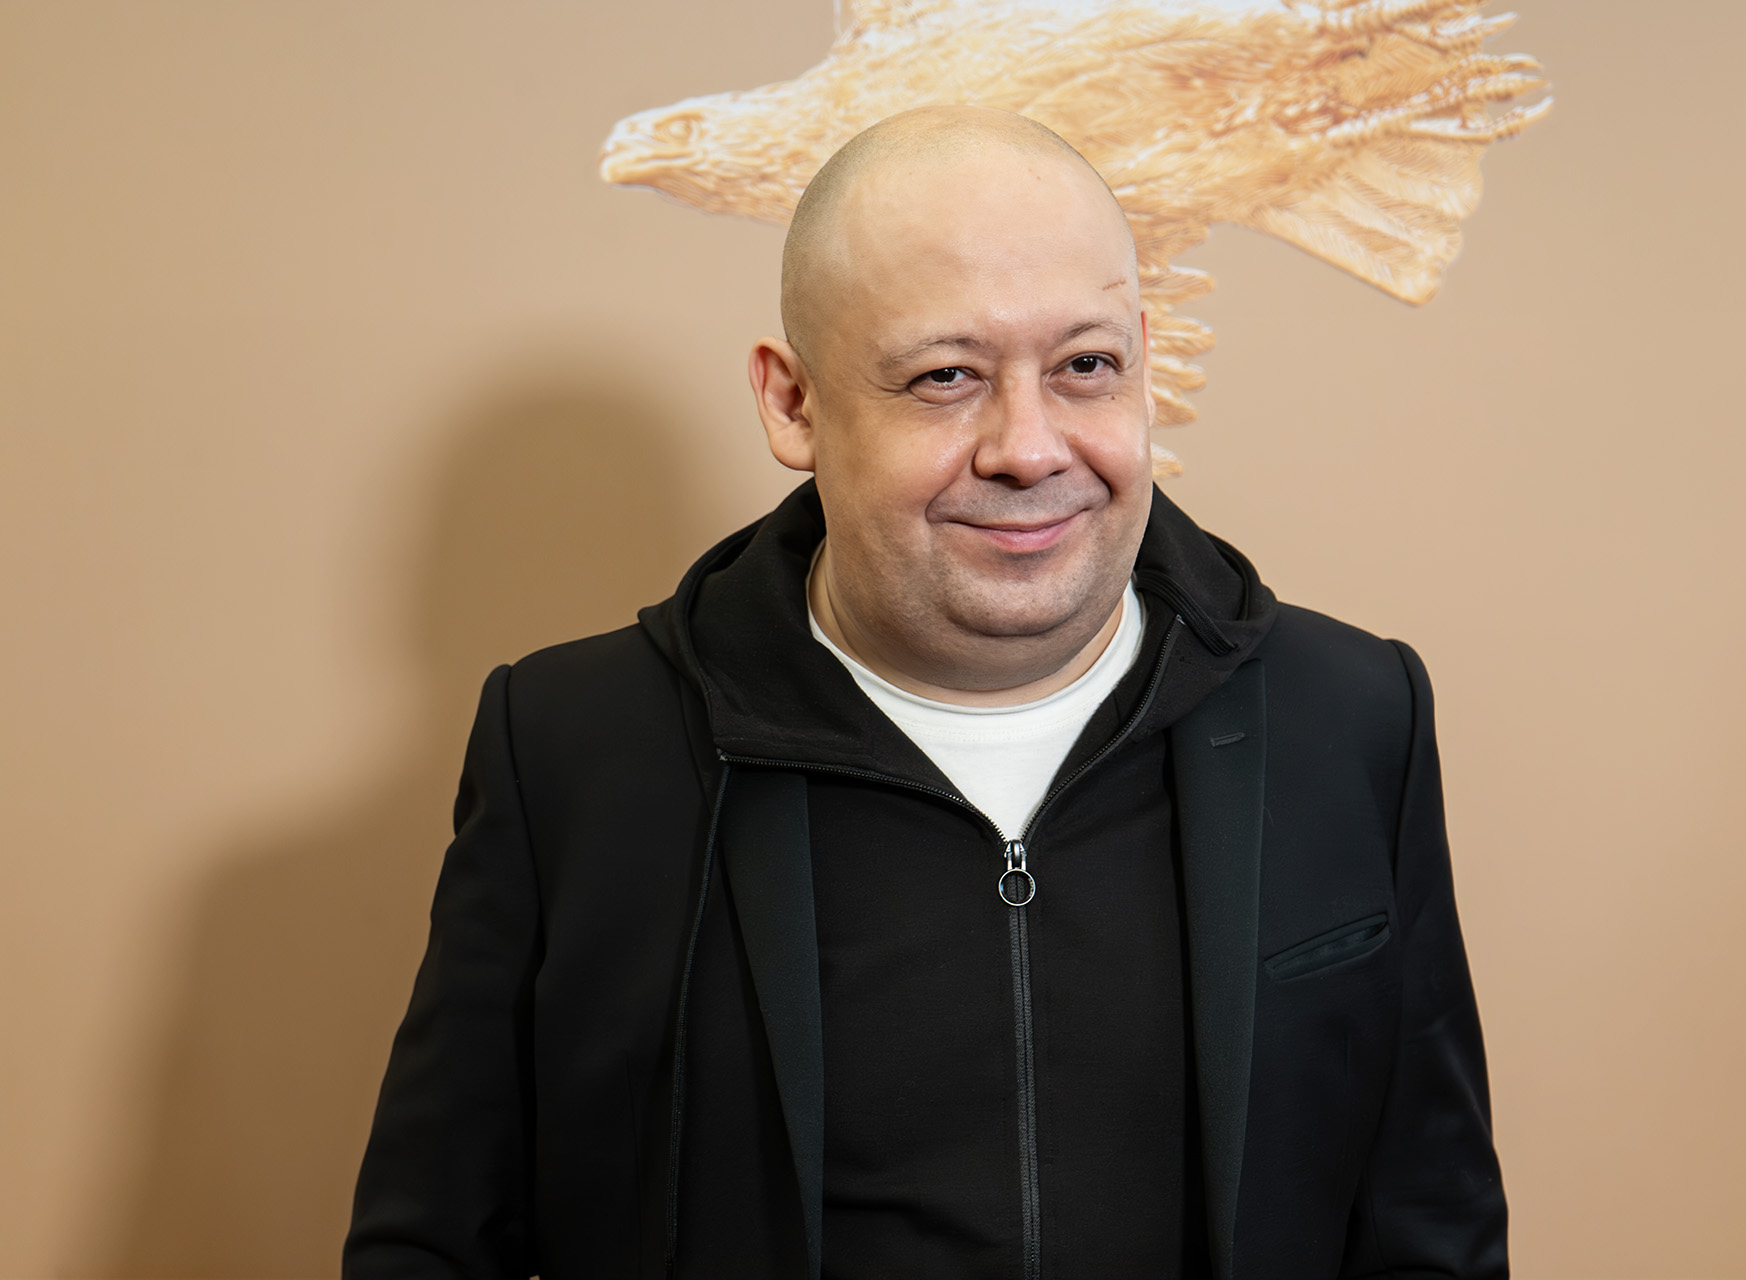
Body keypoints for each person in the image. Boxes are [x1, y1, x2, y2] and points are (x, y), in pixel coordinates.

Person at [344, 106, 1505, 1279]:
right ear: (793, 403)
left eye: (1085, 366)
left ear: (1144, 360)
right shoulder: (573, 751)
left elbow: (1433, 1231)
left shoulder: (1351, 717)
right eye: (946, 376)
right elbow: (430, 1245)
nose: (1029, 448)